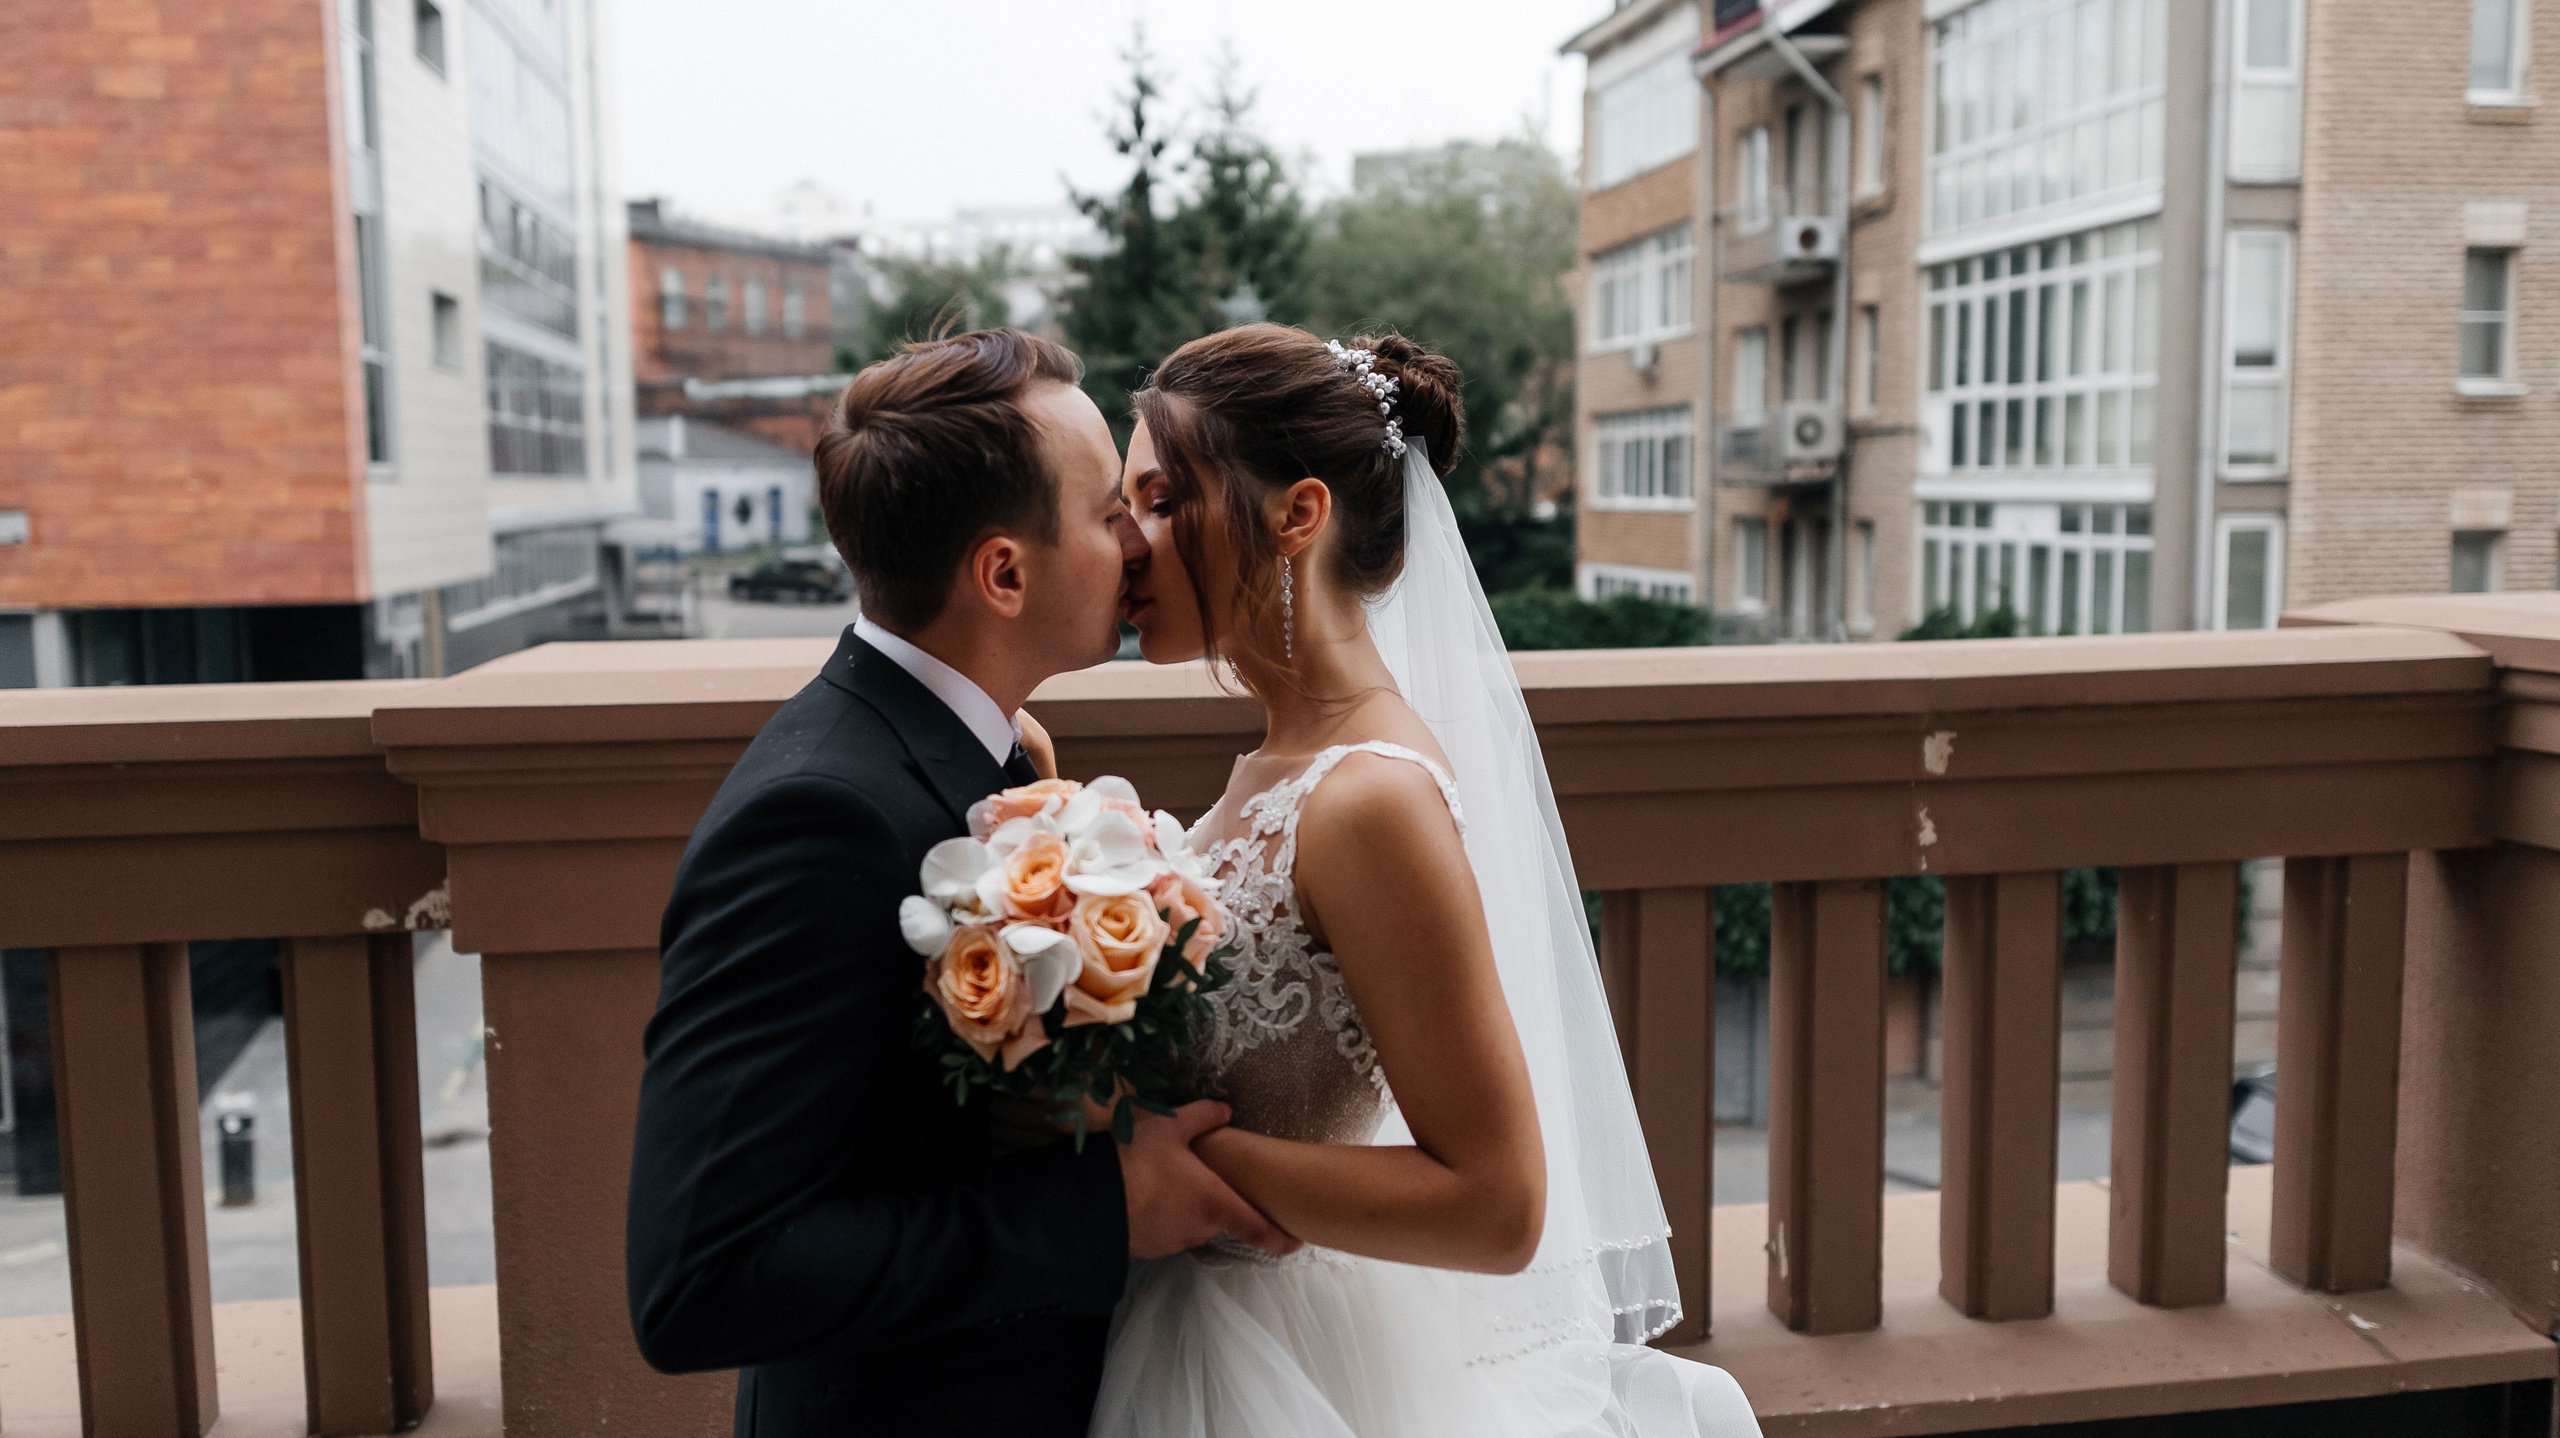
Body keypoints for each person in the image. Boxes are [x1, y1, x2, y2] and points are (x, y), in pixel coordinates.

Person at [625, 329, 1296, 1438]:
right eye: (1104, 512)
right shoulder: (818, 816)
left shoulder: (983, 754)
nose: (1136, 541)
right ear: (1003, 573)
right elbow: (702, 1275)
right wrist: (1100, 1210)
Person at [1099, 323, 1762, 1437]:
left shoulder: (1369, 798)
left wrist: (1182, 1163)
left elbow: (1496, 1205)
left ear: (1296, 514)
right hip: (1182, 1328)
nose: (1128, 545)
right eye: (1126, 507)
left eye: (1164, 502)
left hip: (1271, 1360)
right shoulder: (1278, 764)